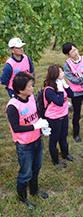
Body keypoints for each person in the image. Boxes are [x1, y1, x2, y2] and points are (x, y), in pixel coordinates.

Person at [6, 71, 50, 208]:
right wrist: (34, 126)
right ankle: (22, 197)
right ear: (20, 90)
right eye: (30, 86)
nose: (32, 88)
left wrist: (41, 127)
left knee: (36, 167)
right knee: (25, 172)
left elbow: (36, 114)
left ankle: (34, 190)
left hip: (37, 139)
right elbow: (16, 127)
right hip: (25, 145)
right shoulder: (13, 106)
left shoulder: (31, 98)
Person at [43, 65, 75, 167]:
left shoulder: (61, 84)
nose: (63, 73)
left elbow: (71, 95)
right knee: (54, 139)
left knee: (63, 137)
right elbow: (59, 102)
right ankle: (55, 160)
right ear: (55, 74)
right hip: (54, 118)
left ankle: (65, 154)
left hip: (63, 115)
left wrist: (66, 85)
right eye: (61, 72)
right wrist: (60, 89)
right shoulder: (49, 89)